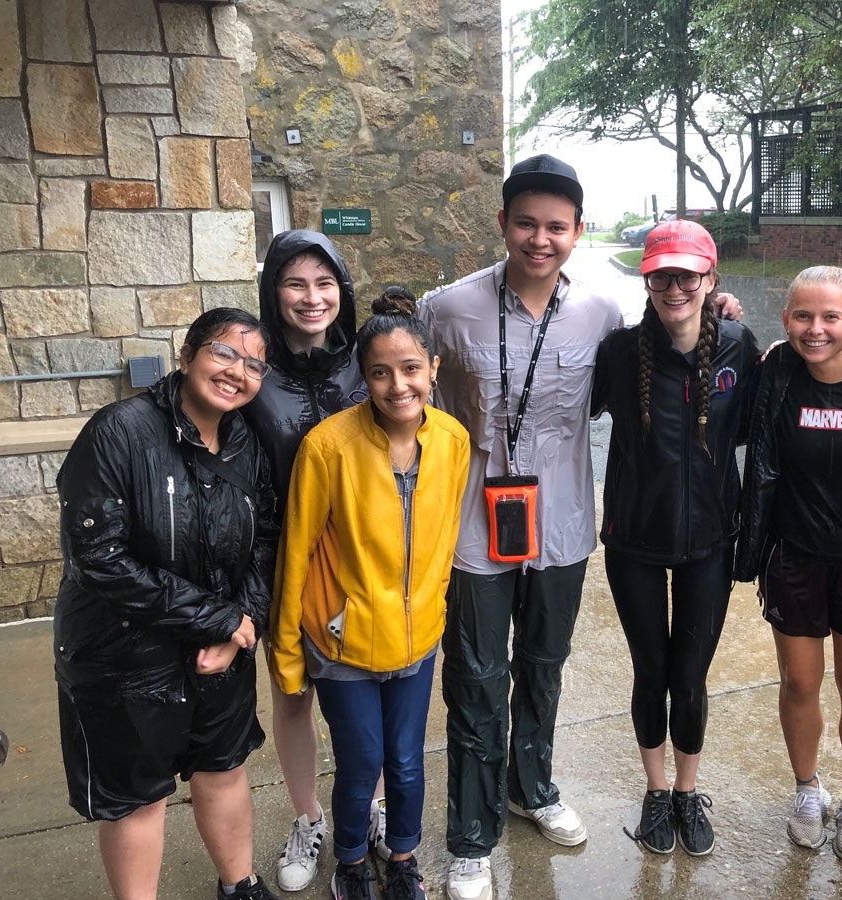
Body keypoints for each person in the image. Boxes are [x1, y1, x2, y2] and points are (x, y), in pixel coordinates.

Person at [420, 154, 742, 900]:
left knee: (543, 663)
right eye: (526, 223)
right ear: (503, 224)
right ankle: (471, 834)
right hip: (473, 524)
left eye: (556, 227)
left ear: (577, 232)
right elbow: (395, 377)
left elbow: (668, 355)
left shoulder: (602, 315)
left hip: (562, 520)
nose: (540, 238)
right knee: (475, 676)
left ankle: (531, 785)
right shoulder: (447, 308)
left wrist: (722, 315)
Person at [53, 308, 280, 900]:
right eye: (224, 353)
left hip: (217, 652)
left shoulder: (245, 443)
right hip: (123, 651)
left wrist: (240, 627)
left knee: (225, 767)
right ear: (187, 355)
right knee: (137, 798)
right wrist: (218, 618)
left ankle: (240, 885)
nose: (237, 371)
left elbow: (264, 542)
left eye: (254, 364)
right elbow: (97, 557)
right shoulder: (119, 431)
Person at [269, 290, 470, 900]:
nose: (397, 385)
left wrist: (432, 604)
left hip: (416, 641)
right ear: (364, 377)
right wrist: (286, 652)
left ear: (433, 368)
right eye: (379, 372)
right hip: (344, 642)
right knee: (361, 765)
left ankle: (402, 857)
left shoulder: (454, 441)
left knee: (407, 763)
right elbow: (296, 550)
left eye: (411, 368)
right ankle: (352, 862)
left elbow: (443, 540)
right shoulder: (328, 446)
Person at [591, 220, 759, 857]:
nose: (675, 285)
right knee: (650, 670)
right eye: (663, 274)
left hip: (709, 542)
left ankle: (688, 794)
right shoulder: (620, 352)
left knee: (689, 678)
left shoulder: (739, 347)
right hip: (634, 539)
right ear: (647, 278)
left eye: (688, 274)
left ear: (710, 278)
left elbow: (782, 401)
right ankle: (656, 792)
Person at [734, 266, 842, 864]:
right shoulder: (776, 375)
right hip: (794, 558)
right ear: (785, 321)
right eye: (803, 316)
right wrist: (721, 308)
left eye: (830, 317)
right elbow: (718, 357)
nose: (817, 329)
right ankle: (807, 789)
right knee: (799, 683)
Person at [244, 230, 380, 893]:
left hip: (362, 557)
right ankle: (308, 816)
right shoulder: (254, 372)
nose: (311, 297)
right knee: (294, 696)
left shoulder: (366, 361)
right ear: (274, 292)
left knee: (372, 691)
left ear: (343, 291)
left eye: (325, 284)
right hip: (283, 562)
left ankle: (374, 806)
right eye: (296, 284)